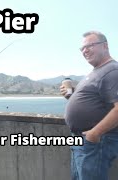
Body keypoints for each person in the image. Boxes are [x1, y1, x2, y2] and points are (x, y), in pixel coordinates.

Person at [60, 31, 118, 180]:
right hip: (83, 141)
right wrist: (71, 97)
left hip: (95, 142)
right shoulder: (96, 72)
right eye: (82, 48)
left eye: (90, 46)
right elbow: (92, 102)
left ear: (105, 46)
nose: (85, 50)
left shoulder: (112, 71)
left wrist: (95, 133)